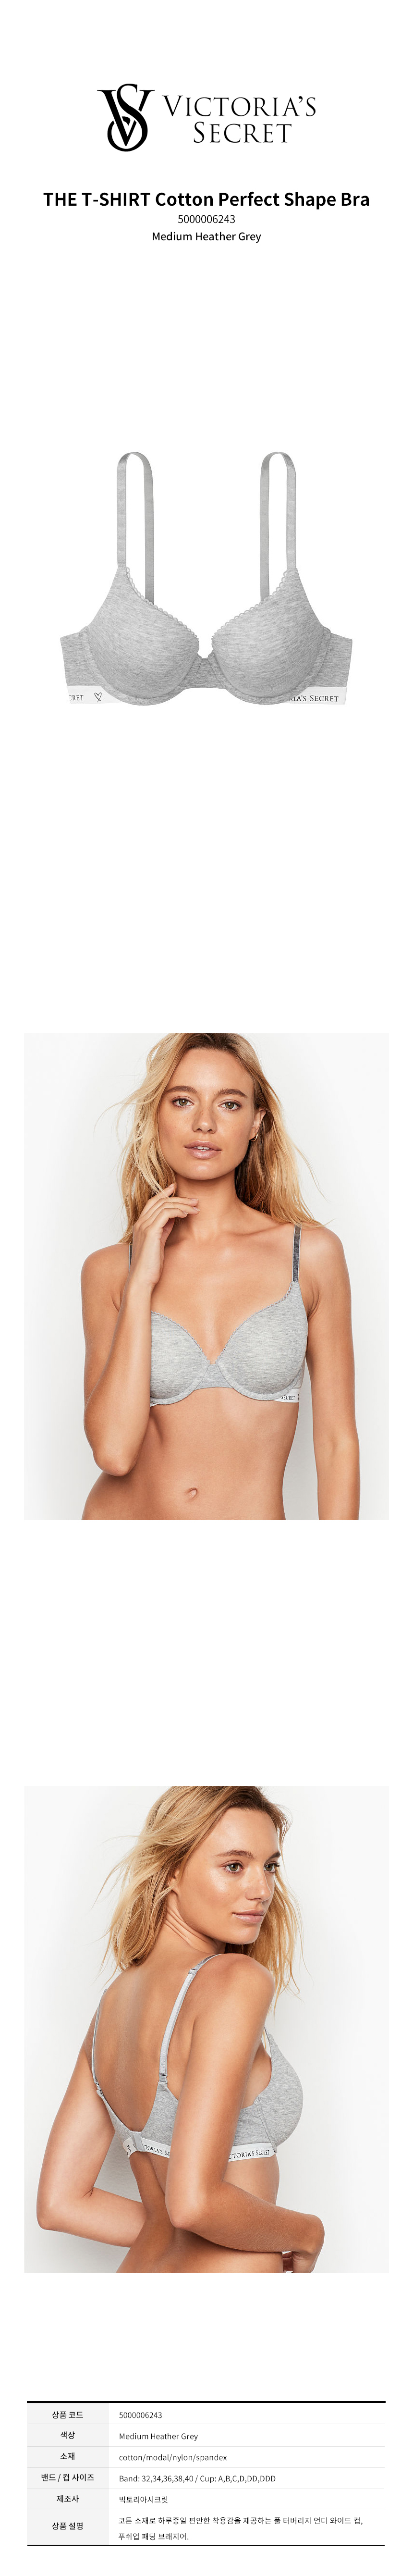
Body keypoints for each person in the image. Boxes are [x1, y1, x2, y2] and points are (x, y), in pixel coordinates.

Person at [36, 1784, 325, 2275]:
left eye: (270, 1866)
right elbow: (193, 2202)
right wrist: (307, 2233)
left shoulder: (112, 2004)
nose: (261, 1889)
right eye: (233, 1866)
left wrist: (163, 2228)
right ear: (171, 1869)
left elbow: (61, 2203)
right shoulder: (235, 1980)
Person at [81, 1033, 360, 1522]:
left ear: (256, 1123)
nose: (205, 1122)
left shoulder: (311, 1256)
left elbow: (337, 1443)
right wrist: (141, 1280)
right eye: (182, 1100)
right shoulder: (109, 1270)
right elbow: (113, 1452)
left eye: (229, 1103)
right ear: (156, 1116)